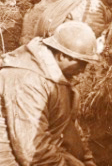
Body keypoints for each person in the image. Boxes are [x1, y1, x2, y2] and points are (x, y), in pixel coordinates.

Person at [0, 21, 99, 165]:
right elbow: (32, 151)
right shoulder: (27, 80)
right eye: (81, 63)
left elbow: (68, 126)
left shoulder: (56, 77)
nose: (84, 70)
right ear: (62, 56)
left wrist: (86, 159)